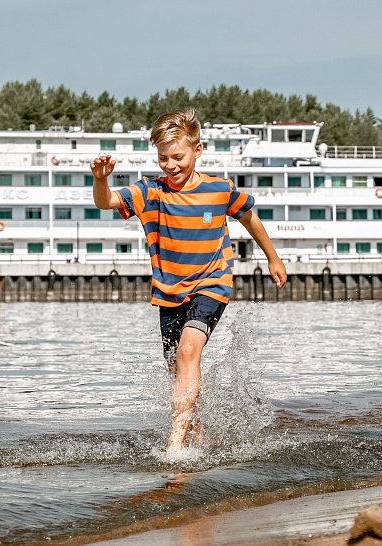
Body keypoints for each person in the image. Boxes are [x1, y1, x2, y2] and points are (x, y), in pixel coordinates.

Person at [91, 108, 287, 459]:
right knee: (177, 368)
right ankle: (198, 430)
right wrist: (101, 180)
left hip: (212, 284)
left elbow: (250, 220)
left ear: (198, 150)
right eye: (163, 158)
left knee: (187, 352)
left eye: (178, 157)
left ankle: (176, 443)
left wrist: (273, 257)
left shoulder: (219, 190)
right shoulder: (150, 191)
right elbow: (106, 202)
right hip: (169, 293)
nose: (171, 165)